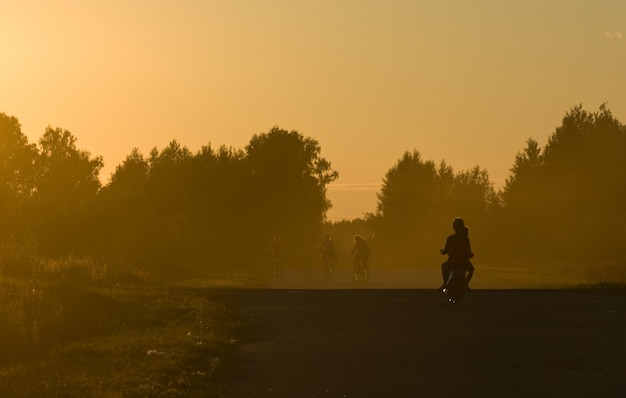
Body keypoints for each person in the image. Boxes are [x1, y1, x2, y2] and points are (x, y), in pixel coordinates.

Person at [439, 217, 475, 291]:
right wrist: (470, 255)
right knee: (471, 270)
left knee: (443, 266)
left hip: (452, 262)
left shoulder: (450, 238)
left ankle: (445, 283)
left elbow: (445, 251)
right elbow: (469, 251)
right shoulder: (466, 239)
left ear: (453, 227)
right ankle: (466, 284)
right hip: (464, 263)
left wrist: (442, 252)